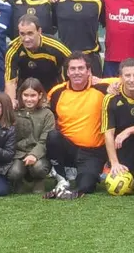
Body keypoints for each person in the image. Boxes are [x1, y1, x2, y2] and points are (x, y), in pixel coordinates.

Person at [46, 52, 109, 198]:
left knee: (86, 187)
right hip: (68, 148)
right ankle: (62, 179)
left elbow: (130, 80)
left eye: (81, 68)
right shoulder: (56, 92)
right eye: (72, 69)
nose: (77, 72)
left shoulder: (102, 87)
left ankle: (87, 174)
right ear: (67, 72)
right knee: (52, 136)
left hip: (92, 152)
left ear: (89, 71)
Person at [102, 58, 134, 187]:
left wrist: (128, 131)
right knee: (127, 176)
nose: (131, 79)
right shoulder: (111, 98)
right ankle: (115, 166)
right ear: (120, 78)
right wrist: (114, 163)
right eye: (127, 75)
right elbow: (108, 133)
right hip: (123, 142)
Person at [51, 0, 104, 75]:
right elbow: (52, 27)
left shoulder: (97, 0)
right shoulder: (57, 0)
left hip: (91, 59)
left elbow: (108, 25)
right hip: (66, 58)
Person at [4, 14, 71, 104]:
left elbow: (74, 63)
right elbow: (10, 81)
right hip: (26, 90)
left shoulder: (55, 46)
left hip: (52, 86)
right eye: (22, 34)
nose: (26, 39)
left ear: (39, 31)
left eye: (30, 33)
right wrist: (11, 102)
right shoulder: (12, 49)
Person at [9, 78, 54, 193]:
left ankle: (39, 180)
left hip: (39, 155)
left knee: (39, 168)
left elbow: (45, 139)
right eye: (26, 95)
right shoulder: (15, 112)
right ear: (21, 95)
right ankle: (19, 180)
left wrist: (34, 154)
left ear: (39, 95)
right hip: (19, 154)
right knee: (14, 172)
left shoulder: (47, 114)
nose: (29, 99)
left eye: (33, 95)